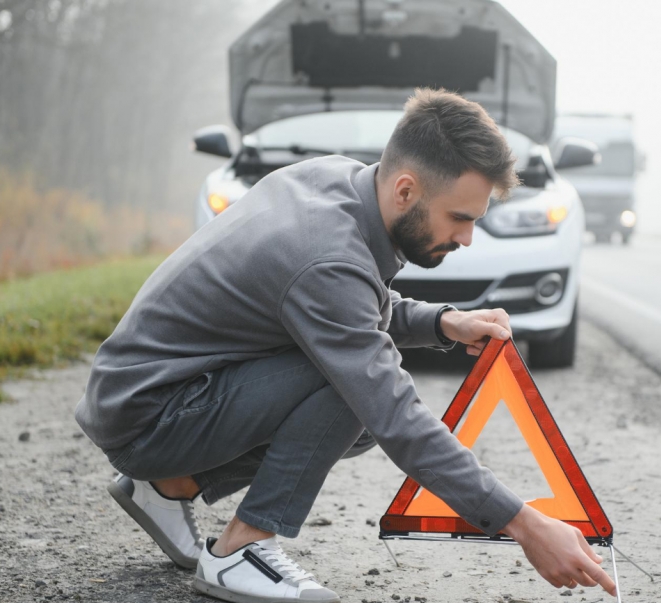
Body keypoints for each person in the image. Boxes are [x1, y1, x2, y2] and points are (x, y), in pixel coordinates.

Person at [75, 88, 616, 603]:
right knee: (353, 392)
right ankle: (241, 548)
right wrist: (523, 523)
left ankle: (170, 485)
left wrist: (444, 322)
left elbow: (348, 308)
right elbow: (389, 403)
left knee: (352, 399)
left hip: (149, 393)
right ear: (406, 190)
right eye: (460, 218)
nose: (468, 237)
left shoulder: (336, 179)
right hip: (150, 415)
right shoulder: (326, 256)